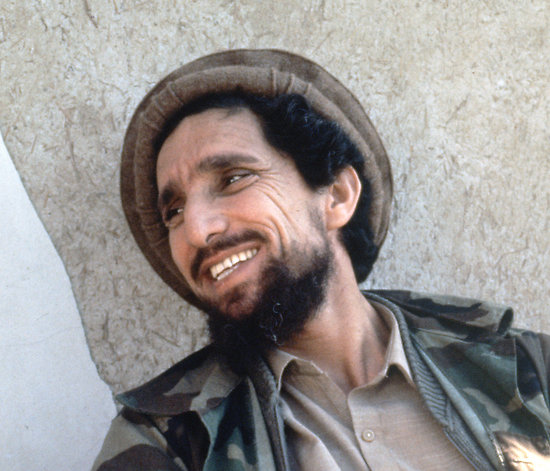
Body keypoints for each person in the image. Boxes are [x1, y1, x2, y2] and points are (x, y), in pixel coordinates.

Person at [93, 50, 550, 471]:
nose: (195, 230)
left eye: (233, 178)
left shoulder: (526, 369)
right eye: (173, 212)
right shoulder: (165, 440)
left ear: (337, 195)